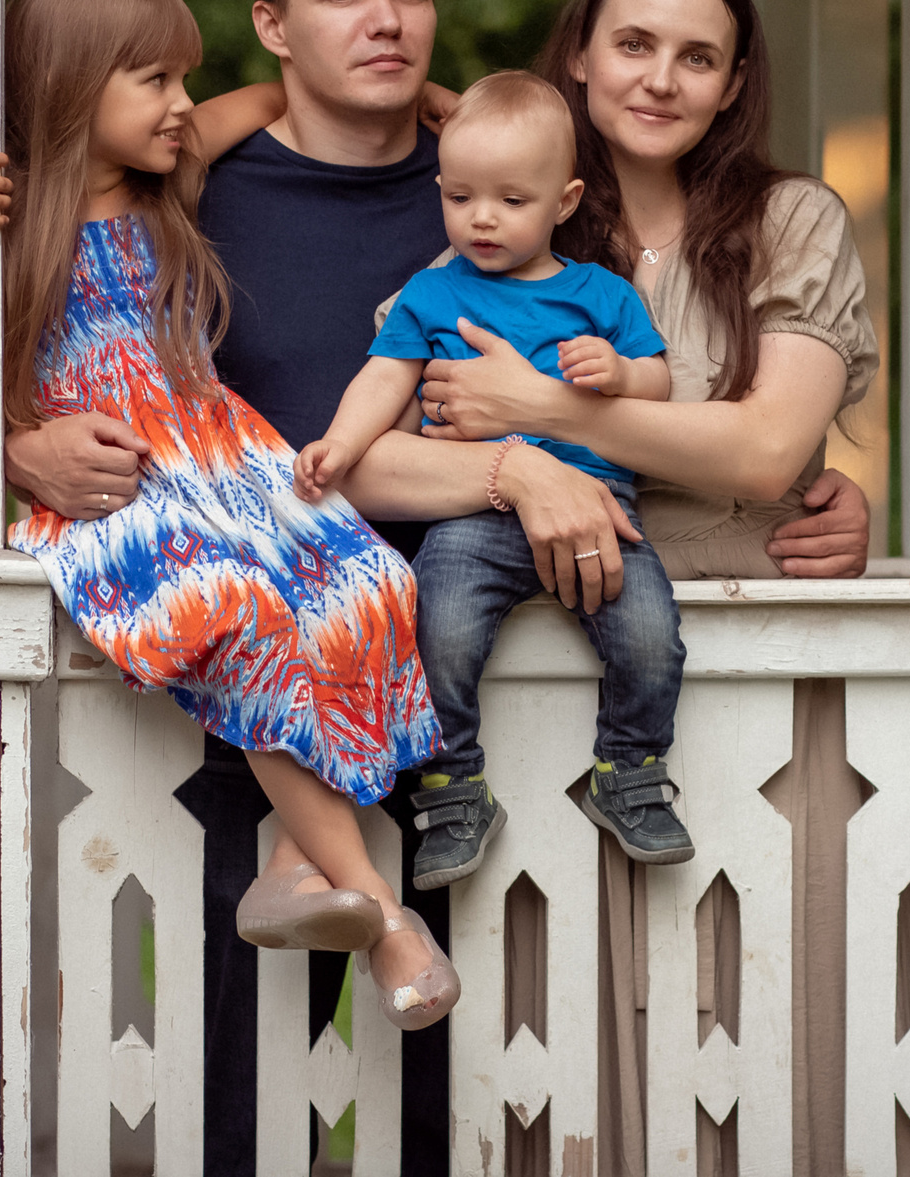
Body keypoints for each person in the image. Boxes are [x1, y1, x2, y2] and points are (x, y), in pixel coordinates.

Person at [0, 0, 875, 1174]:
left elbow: (670, 383)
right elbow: (35, 333)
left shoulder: (495, 190)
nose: (386, 21)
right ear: (273, 23)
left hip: (481, 689)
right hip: (270, 687)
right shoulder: (195, 186)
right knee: (245, 1095)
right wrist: (13, 444)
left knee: (471, 1097)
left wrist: (815, 485)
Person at [0, 0, 458, 1031]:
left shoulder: (171, 178)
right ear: (75, 88)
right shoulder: (4, 210)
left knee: (373, 582)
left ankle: (300, 867)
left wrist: (443, 102)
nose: (180, 106)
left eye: (181, 81)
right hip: (121, 493)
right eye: (154, 81)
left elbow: (265, 98)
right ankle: (387, 914)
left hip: (222, 455)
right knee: (239, 612)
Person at [407, 0, 881, 1170]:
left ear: (734, 84)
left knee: (745, 1011)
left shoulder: (789, 221)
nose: (660, 77)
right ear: (578, 56)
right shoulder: (514, 215)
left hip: (747, 672)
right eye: (632, 43)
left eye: (697, 56)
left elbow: (776, 453)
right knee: (536, 1033)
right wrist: (668, 447)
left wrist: (542, 410)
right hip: (536, 660)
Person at [296, 71, 693, 891]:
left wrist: (618, 372)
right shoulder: (433, 291)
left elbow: (660, 383)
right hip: (475, 508)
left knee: (652, 635)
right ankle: (453, 788)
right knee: (434, 624)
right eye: (462, 195)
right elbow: (384, 376)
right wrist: (339, 442)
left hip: (601, 505)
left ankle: (631, 769)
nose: (482, 218)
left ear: (565, 199)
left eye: (512, 200)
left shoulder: (600, 294)